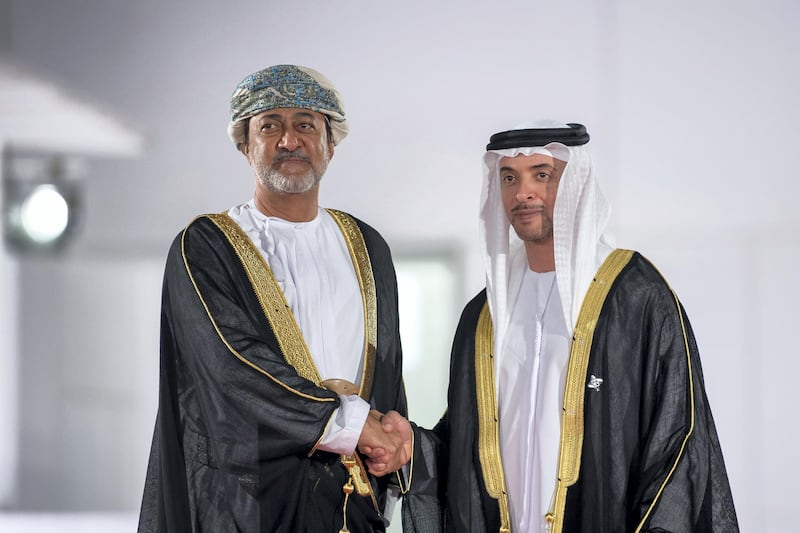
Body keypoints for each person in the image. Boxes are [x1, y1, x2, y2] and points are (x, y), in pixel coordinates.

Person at [397, 120, 739, 532]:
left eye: (542, 175)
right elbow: (466, 449)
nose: (523, 193)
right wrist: (409, 448)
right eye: (509, 178)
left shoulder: (636, 298)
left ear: (577, 183)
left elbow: (677, 442)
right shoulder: (484, 315)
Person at [138, 64, 410, 533]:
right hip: (248, 504)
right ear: (245, 144)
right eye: (270, 126)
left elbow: (386, 364)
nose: (290, 140)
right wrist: (350, 423)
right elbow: (232, 370)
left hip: (351, 502)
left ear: (331, 144)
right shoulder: (205, 246)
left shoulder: (368, 246)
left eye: (305, 124)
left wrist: (393, 432)